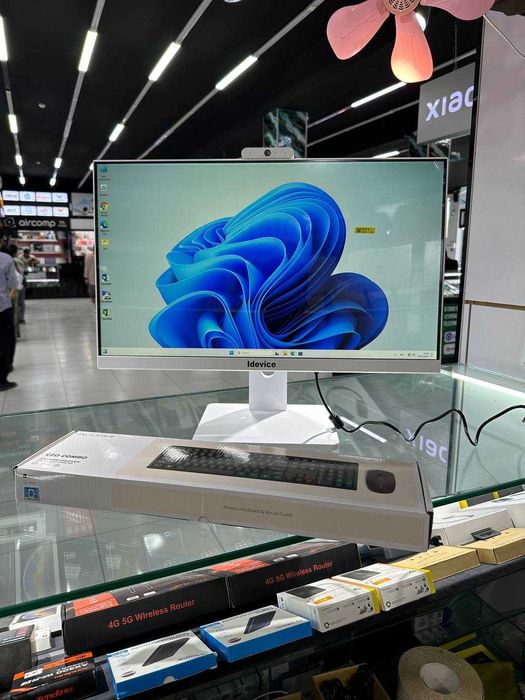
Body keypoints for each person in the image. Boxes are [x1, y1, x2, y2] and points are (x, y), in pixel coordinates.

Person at [0, 247, 18, 391]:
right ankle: (1, 380)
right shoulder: (5, 258)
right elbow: (13, 283)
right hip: (2, 307)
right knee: (4, 342)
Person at [7, 245, 23, 339]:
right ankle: (15, 333)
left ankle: (12, 333)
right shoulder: (14, 261)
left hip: (8, 289)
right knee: (15, 311)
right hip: (14, 289)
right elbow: (19, 274)